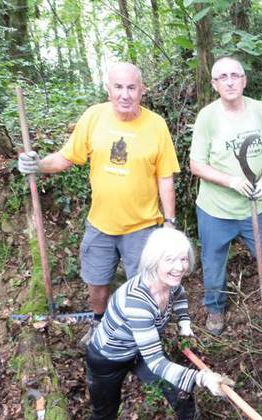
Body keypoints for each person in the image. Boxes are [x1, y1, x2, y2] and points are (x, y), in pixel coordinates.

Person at [17, 62, 180, 348]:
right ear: (108, 89)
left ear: (142, 90)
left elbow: (165, 177)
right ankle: (99, 323)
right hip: (101, 224)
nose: (125, 94)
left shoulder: (156, 125)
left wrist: (169, 223)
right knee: (96, 281)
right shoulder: (94, 117)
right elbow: (66, 158)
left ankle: (146, 335)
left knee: (147, 286)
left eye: (131, 87)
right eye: (118, 87)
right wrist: (37, 164)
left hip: (143, 226)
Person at [84, 228, 234, 420]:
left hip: (140, 350)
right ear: (154, 261)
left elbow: (181, 295)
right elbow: (156, 363)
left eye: (184, 259)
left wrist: (184, 323)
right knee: (105, 412)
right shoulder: (138, 301)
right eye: (171, 260)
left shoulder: (171, 283)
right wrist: (202, 378)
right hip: (108, 359)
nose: (179, 267)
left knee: (179, 390)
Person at [189, 57, 262, 336]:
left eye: (234, 75)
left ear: (244, 80)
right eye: (222, 77)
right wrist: (231, 181)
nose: (229, 81)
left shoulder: (260, 111)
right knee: (214, 264)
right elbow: (196, 165)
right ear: (214, 84)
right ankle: (215, 309)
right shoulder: (207, 116)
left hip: (257, 206)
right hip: (215, 210)